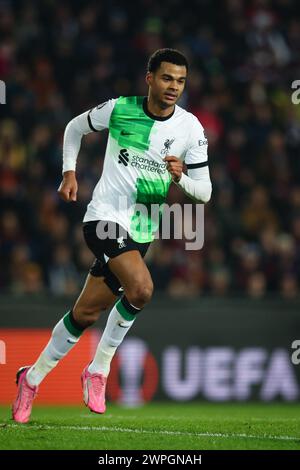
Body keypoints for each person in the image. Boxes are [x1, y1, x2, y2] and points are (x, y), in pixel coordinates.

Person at [12, 48, 212, 423]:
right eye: (167, 78)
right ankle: (99, 370)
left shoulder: (190, 128)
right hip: (103, 218)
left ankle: (31, 378)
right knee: (142, 289)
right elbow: (74, 127)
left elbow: (205, 192)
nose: (174, 87)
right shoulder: (119, 108)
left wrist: (180, 177)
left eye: (181, 81)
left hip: (142, 229)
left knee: (85, 313)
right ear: (149, 78)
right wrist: (69, 172)